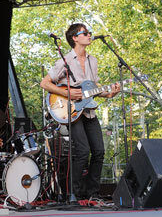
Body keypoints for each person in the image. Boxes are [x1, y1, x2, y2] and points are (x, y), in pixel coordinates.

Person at [40, 23, 120, 200]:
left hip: (89, 110)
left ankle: (92, 194)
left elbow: (93, 90)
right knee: (83, 151)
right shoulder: (65, 61)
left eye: (89, 33)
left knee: (99, 151)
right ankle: (73, 193)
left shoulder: (93, 61)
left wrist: (110, 93)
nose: (89, 35)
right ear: (75, 38)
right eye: (85, 33)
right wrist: (65, 92)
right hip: (71, 112)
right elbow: (45, 83)